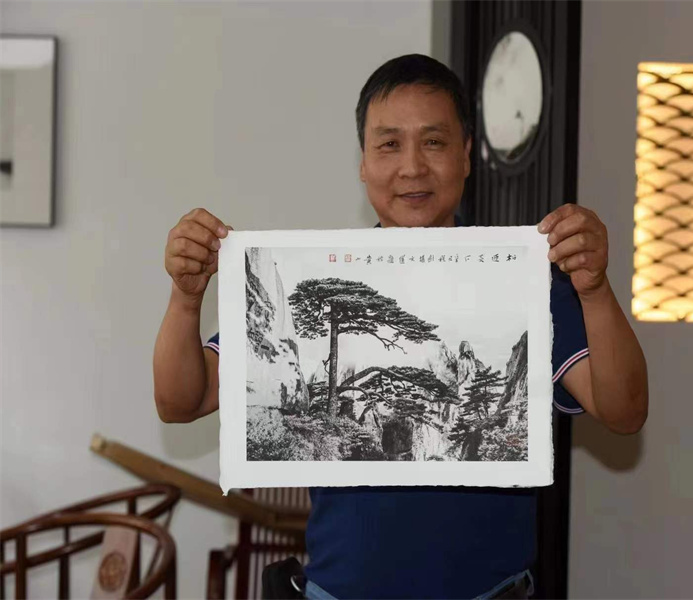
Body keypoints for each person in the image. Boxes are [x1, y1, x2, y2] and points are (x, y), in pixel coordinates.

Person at [154, 54, 648, 599]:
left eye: (433, 142)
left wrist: (594, 290)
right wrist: (186, 299)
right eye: (389, 144)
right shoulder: (308, 275)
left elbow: (624, 411)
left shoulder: (523, 278)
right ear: (363, 163)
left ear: (466, 155)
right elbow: (180, 402)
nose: (412, 167)